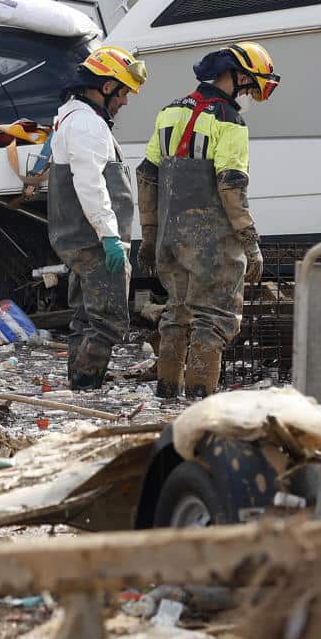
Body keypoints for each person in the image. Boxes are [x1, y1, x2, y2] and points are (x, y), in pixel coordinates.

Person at [141, 41, 280, 399]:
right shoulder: (230, 122)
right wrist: (250, 243)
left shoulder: (168, 112)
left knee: (177, 315)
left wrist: (149, 234)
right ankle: (200, 403)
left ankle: (166, 397)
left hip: (170, 238)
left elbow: (148, 176)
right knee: (213, 321)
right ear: (234, 77)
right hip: (212, 242)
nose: (250, 95)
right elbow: (232, 186)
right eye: (251, 85)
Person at [48, 44, 147, 390]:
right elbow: (90, 183)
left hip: (82, 237)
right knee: (106, 320)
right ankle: (88, 387)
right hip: (95, 240)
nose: (125, 101)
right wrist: (108, 235)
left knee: (85, 317)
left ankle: (78, 386)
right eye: (123, 92)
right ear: (106, 87)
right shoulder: (87, 125)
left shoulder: (73, 117)